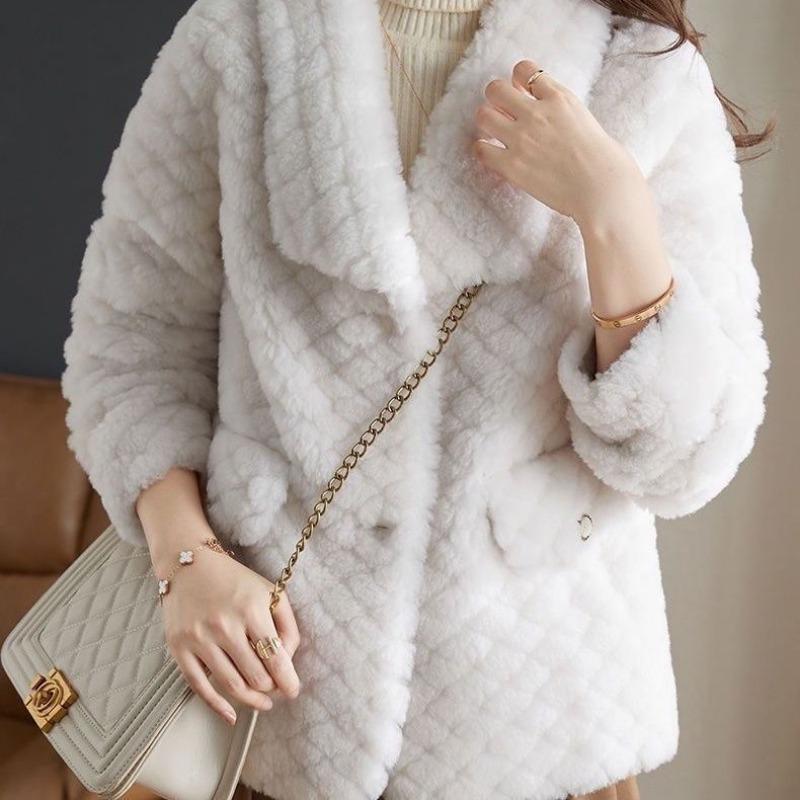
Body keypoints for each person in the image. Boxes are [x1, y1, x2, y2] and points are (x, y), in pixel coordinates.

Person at [60, 0, 772, 798]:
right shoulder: (242, 34)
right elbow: (131, 347)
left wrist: (615, 213)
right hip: (274, 707)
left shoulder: (640, 71)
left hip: (536, 729)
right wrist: (186, 559)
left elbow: (690, 456)